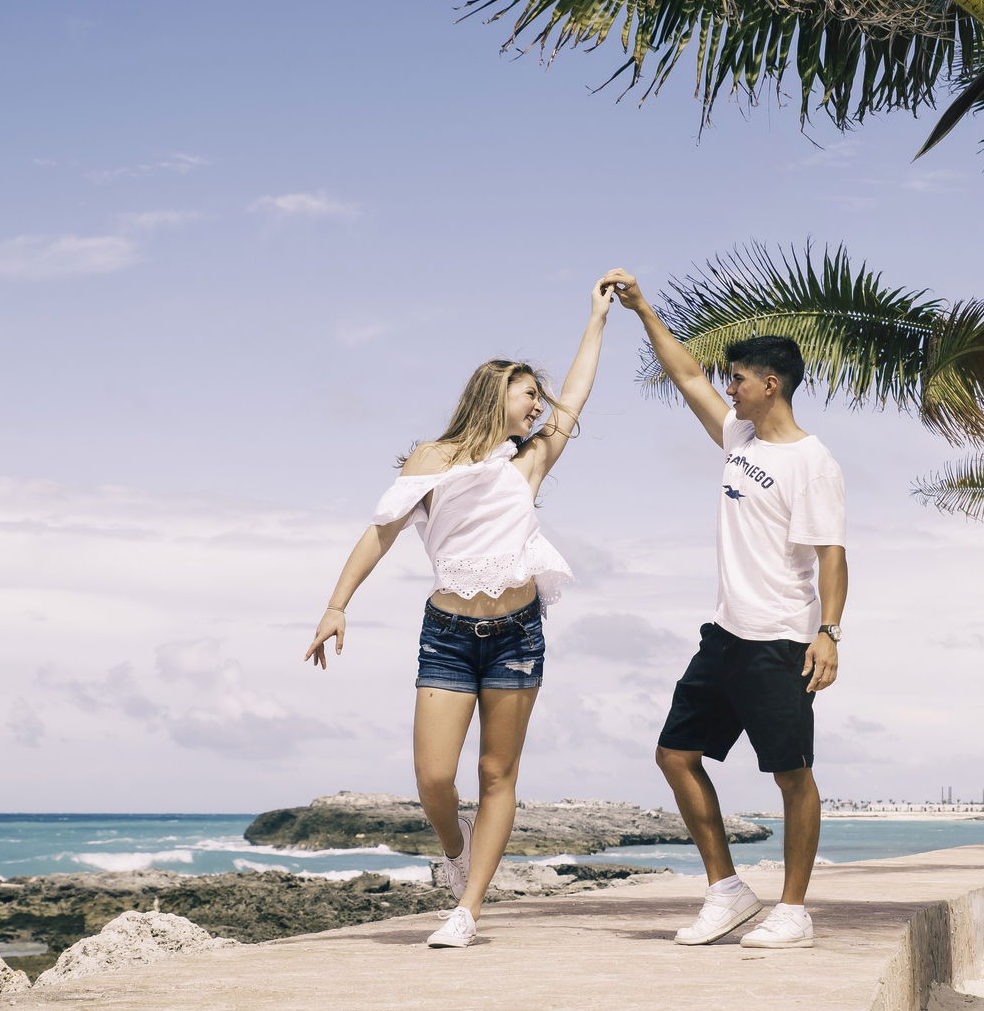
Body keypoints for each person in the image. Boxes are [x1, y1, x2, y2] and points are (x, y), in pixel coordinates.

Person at [302, 278, 611, 949]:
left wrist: (597, 319)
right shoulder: (432, 461)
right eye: (530, 393)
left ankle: (467, 910)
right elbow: (379, 532)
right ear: (495, 393)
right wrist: (336, 605)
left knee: (497, 774)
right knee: (435, 776)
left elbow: (579, 392)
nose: (541, 404)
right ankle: (456, 850)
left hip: (516, 634)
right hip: (446, 634)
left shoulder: (529, 462)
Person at [604, 268, 848, 950]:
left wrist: (827, 634)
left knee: (790, 774)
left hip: (780, 642)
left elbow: (833, 556)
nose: (727, 388)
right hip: (724, 638)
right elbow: (686, 378)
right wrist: (643, 309)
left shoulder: (812, 463)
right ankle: (728, 891)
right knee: (676, 755)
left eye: (737, 378)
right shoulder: (739, 440)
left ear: (770, 384)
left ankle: (794, 910)